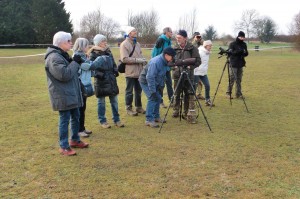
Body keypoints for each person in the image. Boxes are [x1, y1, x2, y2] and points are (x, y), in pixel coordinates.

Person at [45, 31, 88, 156]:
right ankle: (64, 146)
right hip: (62, 95)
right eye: (69, 41)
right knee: (64, 119)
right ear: (61, 42)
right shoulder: (54, 57)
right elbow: (64, 75)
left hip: (71, 93)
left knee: (76, 116)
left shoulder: (62, 55)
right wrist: (75, 62)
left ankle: (74, 139)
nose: (71, 43)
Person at [89, 34, 124, 128]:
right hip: (101, 82)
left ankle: (117, 120)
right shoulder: (93, 54)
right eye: (103, 41)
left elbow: (113, 63)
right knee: (101, 102)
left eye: (105, 41)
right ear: (98, 43)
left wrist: (115, 71)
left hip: (111, 80)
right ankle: (103, 121)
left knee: (114, 101)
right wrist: (102, 75)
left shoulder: (108, 51)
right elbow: (91, 69)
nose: (105, 43)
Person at [139, 47, 176, 128]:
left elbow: (162, 74)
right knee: (153, 98)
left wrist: (160, 86)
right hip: (146, 81)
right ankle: (149, 120)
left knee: (158, 98)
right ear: (166, 55)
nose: (173, 58)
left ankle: (156, 117)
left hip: (156, 82)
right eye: (172, 56)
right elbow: (150, 77)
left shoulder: (165, 61)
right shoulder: (156, 62)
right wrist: (153, 90)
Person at [172, 30, 201, 123]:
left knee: (188, 94)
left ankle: (186, 112)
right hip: (177, 75)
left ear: (185, 38)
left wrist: (190, 67)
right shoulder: (174, 48)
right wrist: (174, 67)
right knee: (176, 93)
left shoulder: (192, 48)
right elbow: (170, 60)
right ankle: (175, 110)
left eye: (179, 38)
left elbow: (198, 61)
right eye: (177, 38)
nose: (177, 40)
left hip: (189, 75)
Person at [120, 26, 147, 116]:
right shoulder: (124, 44)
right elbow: (124, 59)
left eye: (135, 31)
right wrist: (137, 60)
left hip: (139, 71)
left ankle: (138, 107)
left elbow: (140, 55)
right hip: (130, 72)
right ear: (129, 33)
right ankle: (129, 108)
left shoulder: (137, 44)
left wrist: (143, 61)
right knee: (129, 91)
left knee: (138, 91)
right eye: (133, 31)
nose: (136, 32)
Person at [72, 38, 93, 137]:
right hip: (80, 84)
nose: (88, 47)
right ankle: (78, 130)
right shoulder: (76, 56)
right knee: (80, 108)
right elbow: (86, 67)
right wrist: (91, 62)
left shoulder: (85, 56)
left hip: (86, 83)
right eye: (86, 45)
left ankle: (82, 127)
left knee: (83, 107)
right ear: (81, 46)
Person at [151, 27, 173, 108]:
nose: (172, 33)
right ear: (166, 32)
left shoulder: (169, 41)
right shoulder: (160, 40)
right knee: (161, 85)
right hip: (160, 66)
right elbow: (155, 53)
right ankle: (160, 102)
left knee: (169, 84)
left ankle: (172, 101)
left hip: (167, 66)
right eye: (171, 31)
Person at [226, 31, 248, 99]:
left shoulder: (244, 44)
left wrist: (245, 53)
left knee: (239, 79)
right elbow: (230, 53)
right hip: (233, 63)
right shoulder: (232, 44)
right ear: (238, 36)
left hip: (241, 63)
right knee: (232, 78)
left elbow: (246, 53)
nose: (242, 38)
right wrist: (238, 52)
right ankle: (228, 93)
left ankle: (238, 94)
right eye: (241, 37)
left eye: (243, 37)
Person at [194, 40, 215, 106]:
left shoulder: (207, 52)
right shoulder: (200, 52)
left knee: (207, 85)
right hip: (196, 72)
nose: (211, 47)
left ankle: (207, 100)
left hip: (203, 72)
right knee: (194, 87)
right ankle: (190, 101)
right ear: (206, 45)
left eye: (211, 45)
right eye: (210, 45)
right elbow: (195, 61)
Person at [191, 31, 205, 100]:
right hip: (194, 65)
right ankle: (193, 95)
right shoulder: (192, 44)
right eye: (197, 36)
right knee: (195, 81)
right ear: (194, 37)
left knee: (199, 82)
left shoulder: (201, 43)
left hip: (200, 64)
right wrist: (196, 41)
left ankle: (199, 94)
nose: (199, 38)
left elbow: (205, 46)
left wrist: (201, 41)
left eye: (199, 36)